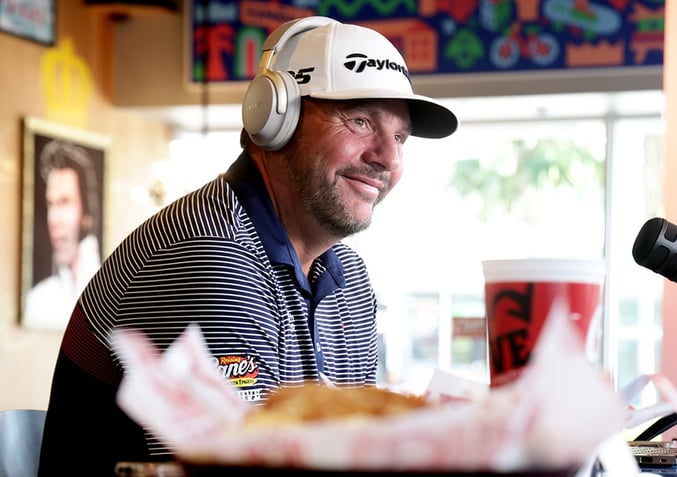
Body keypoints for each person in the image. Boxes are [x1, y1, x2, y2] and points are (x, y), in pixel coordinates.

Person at [37, 16, 458, 476]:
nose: (389, 158)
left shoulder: (351, 282)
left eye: (400, 137)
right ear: (276, 117)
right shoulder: (211, 251)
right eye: (360, 121)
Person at [24, 139, 101, 331]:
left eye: (65, 202)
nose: (54, 219)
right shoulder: (38, 300)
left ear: (87, 214)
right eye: (51, 204)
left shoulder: (110, 296)